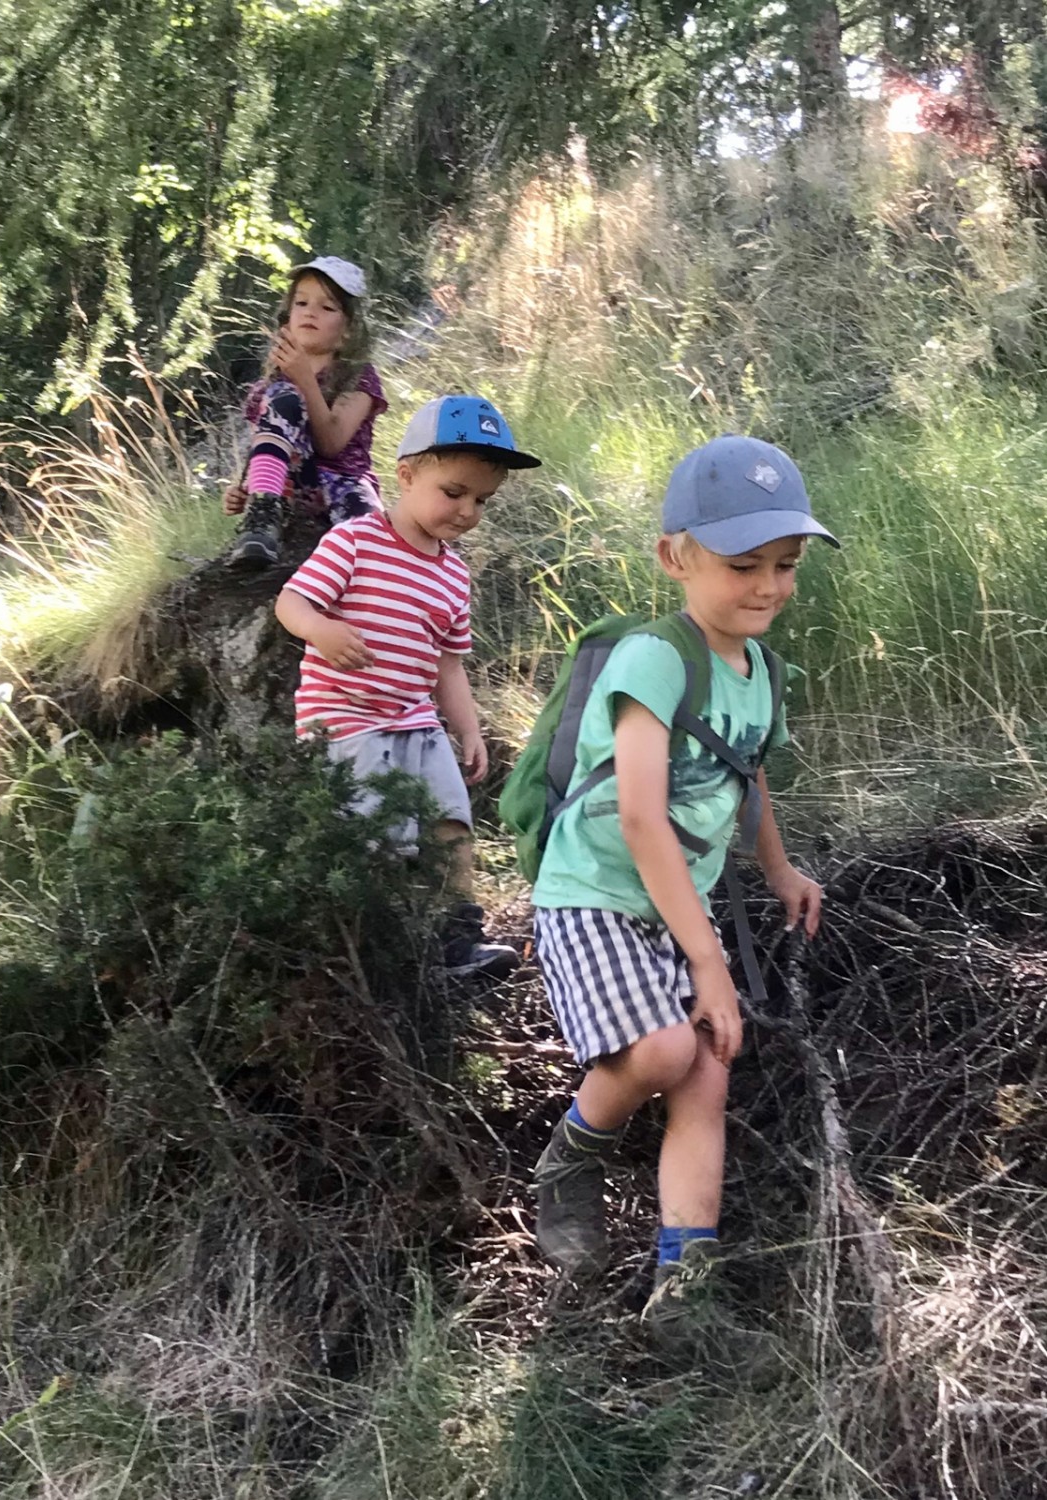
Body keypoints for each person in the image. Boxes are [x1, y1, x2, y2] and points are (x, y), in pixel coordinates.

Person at [529, 433, 838, 1337]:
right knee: (665, 1052)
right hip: (592, 893)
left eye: (786, 564)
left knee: (706, 1072)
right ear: (675, 557)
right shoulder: (654, 658)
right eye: (744, 563)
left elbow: (747, 777)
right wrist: (706, 962)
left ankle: (683, 1289)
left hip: (671, 907)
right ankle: (567, 1159)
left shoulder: (762, 671)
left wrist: (777, 867)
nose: (769, 586)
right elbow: (637, 816)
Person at [274, 394, 541, 977]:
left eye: (482, 500)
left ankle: (457, 941)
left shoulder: (453, 572)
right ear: (406, 473)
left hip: (416, 720)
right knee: (377, 838)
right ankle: (381, 951)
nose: (468, 510)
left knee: (451, 824)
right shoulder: (354, 541)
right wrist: (321, 629)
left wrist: (467, 728)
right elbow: (291, 602)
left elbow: (448, 663)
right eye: (453, 492)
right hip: (346, 722)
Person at [226, 256, 387, 567]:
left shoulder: (360, 377)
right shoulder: (270, 386)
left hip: (345, 483)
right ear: (287, 318)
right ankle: (263, 517)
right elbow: (267, 444)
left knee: (373, 544)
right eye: (301, 303)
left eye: (327, 307)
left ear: (348, 331)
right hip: (293, 485)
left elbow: (332, 443)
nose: (310, 312)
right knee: (283, 396)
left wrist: (305, 380)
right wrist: (245, 486)